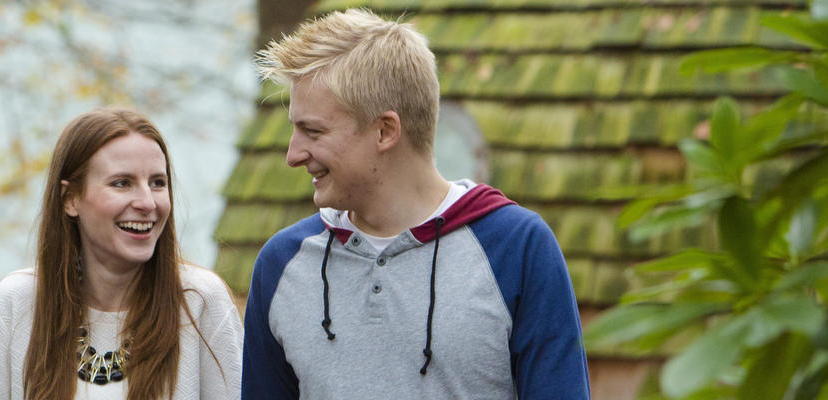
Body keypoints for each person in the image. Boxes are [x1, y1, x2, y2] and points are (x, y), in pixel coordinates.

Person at [240, 9, 589, 400]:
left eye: (313, 131)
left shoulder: (518, 249)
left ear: (385, 131)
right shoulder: (281, 264)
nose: (293, 154)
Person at [0, 107, 242, 400]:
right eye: (122, 183)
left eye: (157, 183)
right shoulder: (18, 304)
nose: (147, 202)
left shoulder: (199, 302)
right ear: (70, 199)